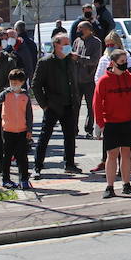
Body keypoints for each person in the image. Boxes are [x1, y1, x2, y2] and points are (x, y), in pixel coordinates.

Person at [94, 48, 131, 198]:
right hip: (111, 122)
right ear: (113, 63)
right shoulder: (104, 80)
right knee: (112, 155)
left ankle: (126, 184)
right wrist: (100, 124)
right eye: (122, 61)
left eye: (126, 61)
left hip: (129, 121)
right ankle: (110, 186)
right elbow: (97, 103)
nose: (124, 64)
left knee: (127, 153)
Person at [31, 33, 84, 177]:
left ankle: (70, 164)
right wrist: (44, 105)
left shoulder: (70, 60)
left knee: (70, 136)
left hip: (69, 104)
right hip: (53, 105)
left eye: (68, 44)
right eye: (65, 44)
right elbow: (36, 85)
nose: (68, 47)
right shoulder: (45, 62)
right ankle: (37, 166)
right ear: (56, 45)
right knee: (44, 136)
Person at [0, 67, 34, 190]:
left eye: (16, 83)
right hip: (7, 130)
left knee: (22, 157)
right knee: (7, 156)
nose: (13, 85)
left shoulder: (25, 96)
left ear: (22, 82)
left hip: (22, 130)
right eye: (11, 82)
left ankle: (24, 179)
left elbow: (29, 114)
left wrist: (29, 130)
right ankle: (6, 180)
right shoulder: (6, 94)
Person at [73, 21, 103, 137]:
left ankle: (89, 129)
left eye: (80, 28)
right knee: (75, 106)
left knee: (91, 106)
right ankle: (74, 130)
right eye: (78, 28)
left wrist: (79, 58)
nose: (78, 31)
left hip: (89, 79)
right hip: (76, 79)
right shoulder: (77, 41)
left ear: (88, 30)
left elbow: (95, 60)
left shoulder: (96, 42)